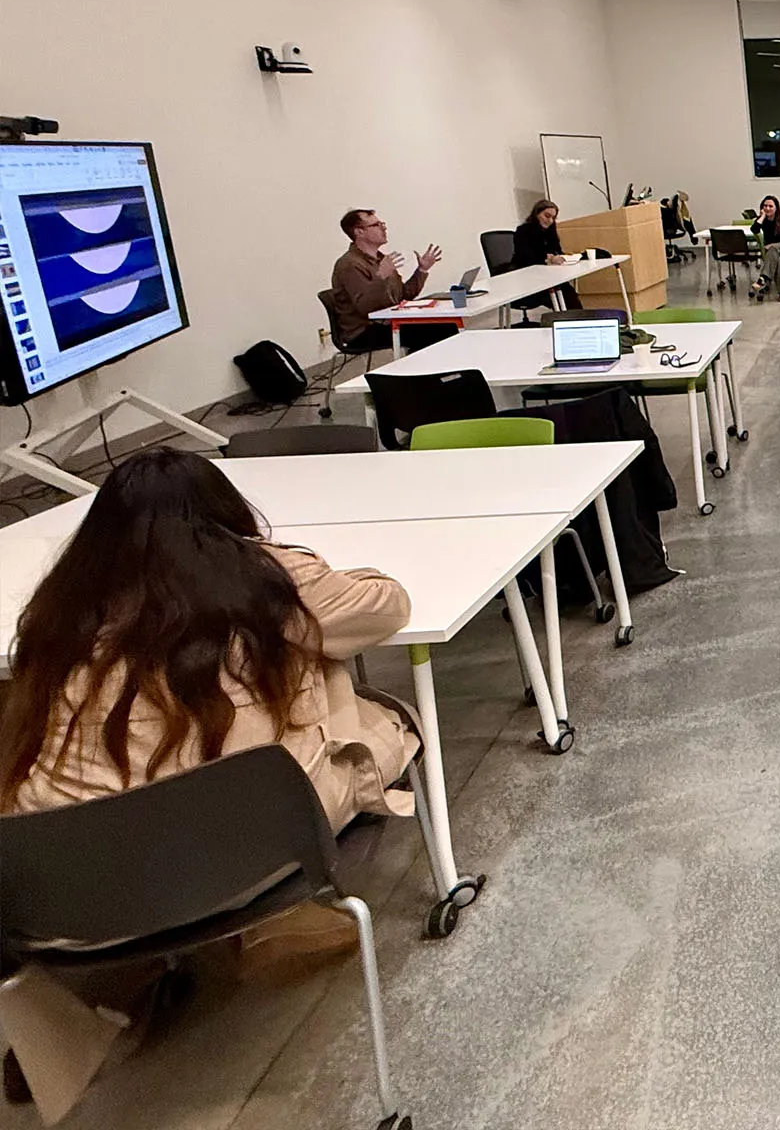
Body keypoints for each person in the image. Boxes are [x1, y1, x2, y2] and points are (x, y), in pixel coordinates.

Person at [0, 450, 417, 1115]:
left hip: (56, 883)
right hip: (243, 856)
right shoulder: (264, 587)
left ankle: (122, 979)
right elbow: (388, 605)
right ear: (225, 519)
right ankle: (253, 925)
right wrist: (283, 564)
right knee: (342, 692)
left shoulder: (60, 612)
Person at [329, 208, 449, 352]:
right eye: (376, 225)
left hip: (388, 321)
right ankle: (422, 373)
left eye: (382, 224)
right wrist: (380, 277)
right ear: (359, 232)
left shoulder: (382, 260)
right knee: (435, 332)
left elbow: (403, 296)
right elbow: (367, 308)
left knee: (444, 325)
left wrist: (422, 270)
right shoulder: (349, 265)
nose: (383, 228)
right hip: (363, 331)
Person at [511, 197, 583, 310]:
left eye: (553, 218)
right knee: (563, 294)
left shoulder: (550, 232)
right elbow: (527, 257)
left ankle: (576, 321)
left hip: (549, 276)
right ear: (536, 214)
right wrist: (546, 259)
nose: (550, 221)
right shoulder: (523, 231)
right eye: (547, 216)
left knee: (568, 292)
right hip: (528, 278)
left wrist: (558, 257)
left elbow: (557, 251)